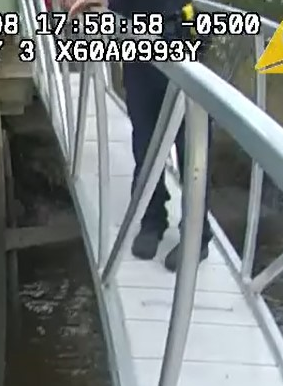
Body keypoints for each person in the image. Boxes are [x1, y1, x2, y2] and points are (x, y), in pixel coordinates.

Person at [67, 0, 212, 272]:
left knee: (190, 145)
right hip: (136, 39)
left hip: (177, 33)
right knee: (144, 139)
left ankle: (197, 235)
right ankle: (152, 217)